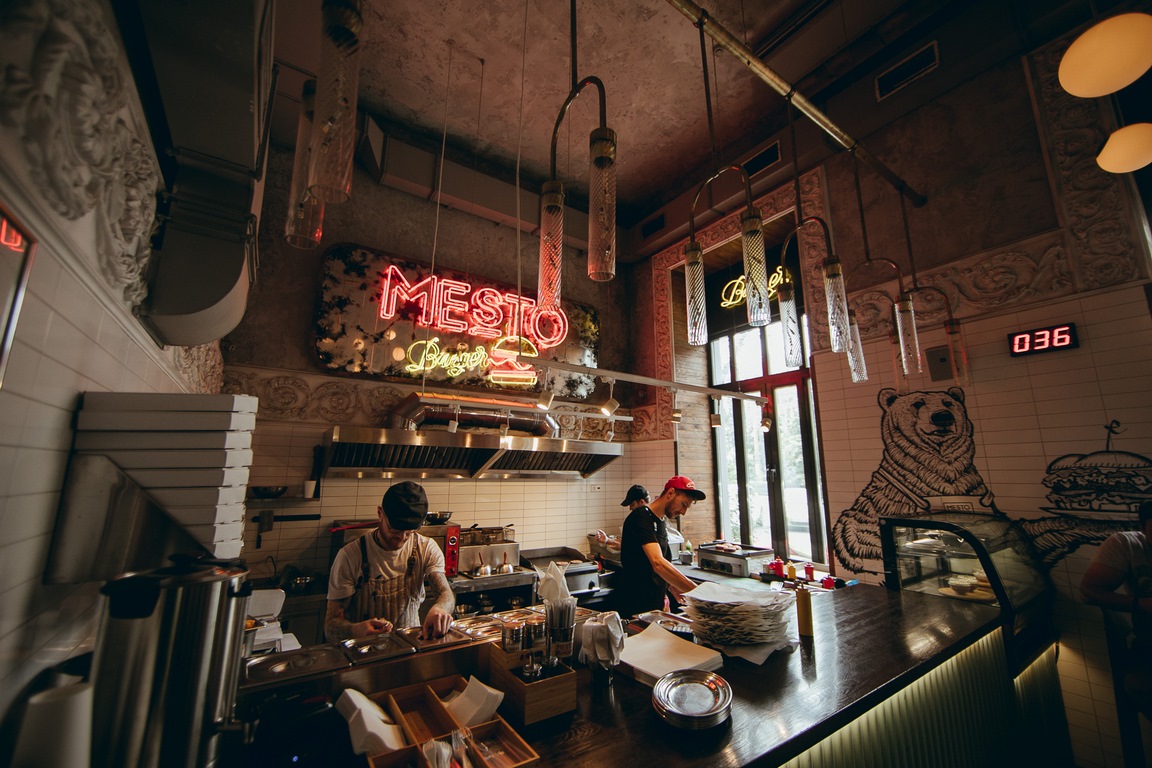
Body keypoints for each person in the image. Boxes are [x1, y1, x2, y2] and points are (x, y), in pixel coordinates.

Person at [326, 481, 455, 641]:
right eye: (394, 529)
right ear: (380, 513)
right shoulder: (350, 556)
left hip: (410, 643)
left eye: (409, 531)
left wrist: (440, 609)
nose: (401, 537)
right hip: (363, 648)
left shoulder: (426, 548)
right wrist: (355, 630)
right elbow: (330, 626)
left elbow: (445, 594)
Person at [1080, 499, 1152, 716]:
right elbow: (1088, 591)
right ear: (1142, 528)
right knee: (1136, 684)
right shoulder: (1128, 544)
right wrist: (1141, 604)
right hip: (1147, 642)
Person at [615, 476, 703, 618]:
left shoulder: (660, 521)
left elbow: (656, 562)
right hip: (635, 605)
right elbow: (658, 563)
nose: (683, 512)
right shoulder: (641, 517)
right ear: (670, 493)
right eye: (683, 504)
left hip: (653, 605)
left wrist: (671, 585)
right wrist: (698, 593)